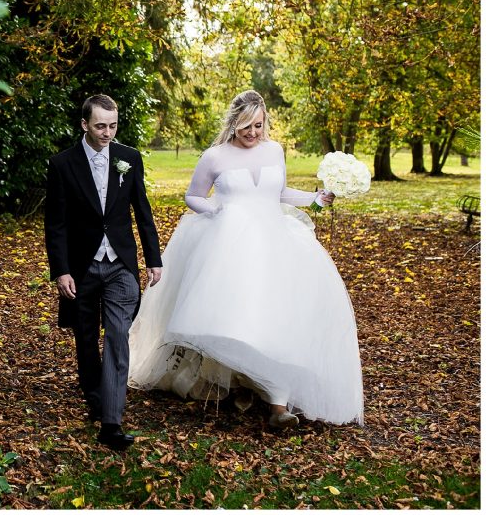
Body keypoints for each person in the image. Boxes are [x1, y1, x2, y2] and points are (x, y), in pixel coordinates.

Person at [127, 90, 364, 429]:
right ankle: (241, 377)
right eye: (245, 126)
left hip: (276, 241)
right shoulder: (215, 156)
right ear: (233, 123)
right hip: (231, 243)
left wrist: (315, 198)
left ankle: (278, 404)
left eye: (258, 125)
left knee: (282, 314)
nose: (252, 133)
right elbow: (193, 195)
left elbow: (278, 193)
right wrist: (216, 211)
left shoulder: (274, 150)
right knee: (238, 314)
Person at [45, 94, 164, 450]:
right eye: (100, 125)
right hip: (81, 268)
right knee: (85, 339)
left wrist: (153, 258)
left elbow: (142, 211)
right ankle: (94, 395)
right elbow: (56, 224)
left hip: (119, 265)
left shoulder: (130, 159)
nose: (107, 132)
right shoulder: (62, 164)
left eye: (113, 125)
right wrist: (61, 270)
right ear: (84, 124)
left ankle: (111, 421)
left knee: (117, 335)